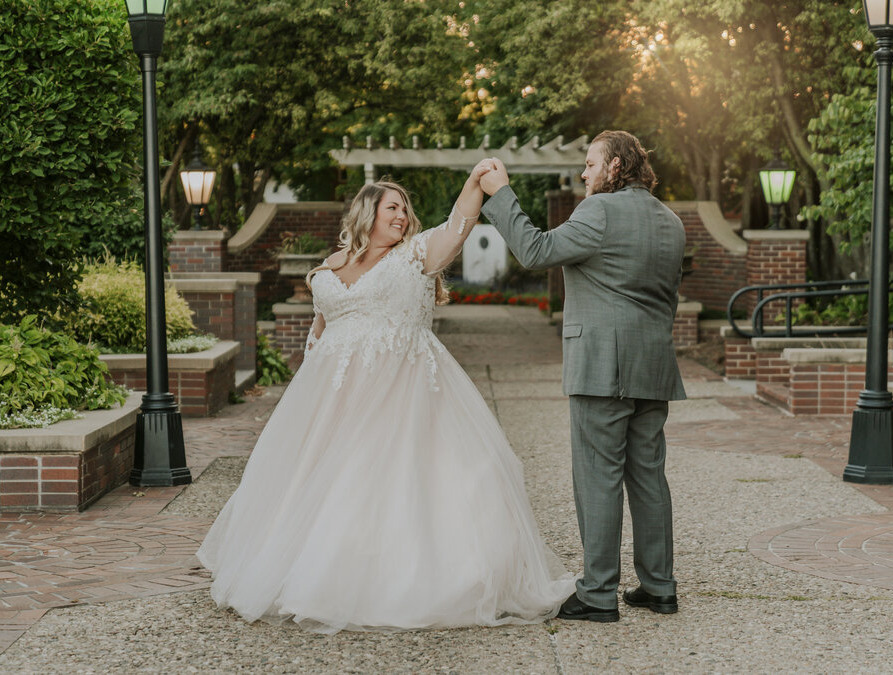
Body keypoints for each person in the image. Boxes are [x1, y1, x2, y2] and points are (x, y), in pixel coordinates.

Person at [196, 170, 575, 634]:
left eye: (405, 209)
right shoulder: (329, 266)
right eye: (392, 207)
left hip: (405, 391)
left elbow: (459, 223)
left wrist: (478, 179)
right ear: (367, 213)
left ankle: (402, 582)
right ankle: (323, 575)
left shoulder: (416, 254)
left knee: (400, 481)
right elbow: (319, 334)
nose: (402, 215)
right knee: (330, 483)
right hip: (337, 398)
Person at [476, 130, 686, 622]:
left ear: (615, 167)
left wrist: (500, 193)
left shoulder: (599, 211)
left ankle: (597, 594)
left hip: (602, 367)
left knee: (598, 478)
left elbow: (535, 251)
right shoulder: (671, 221)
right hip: (653, 363)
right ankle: (659, 587)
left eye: (591, 163)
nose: (584, 173)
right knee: (649, 477)